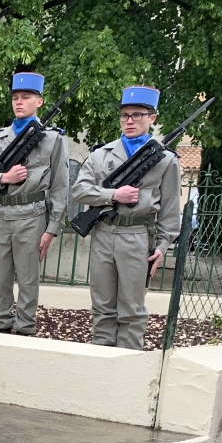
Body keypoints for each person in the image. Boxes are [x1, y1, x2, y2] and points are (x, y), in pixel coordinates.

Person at [73, 85, 181, 349]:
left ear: (152, 118)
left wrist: (162, 245)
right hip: (104, 232)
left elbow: (170, 210)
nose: (129, 120)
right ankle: (101, 356)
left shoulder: (166, 160)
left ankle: (128, 361)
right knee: (102, 305)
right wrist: (113, 194)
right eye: (125, 115)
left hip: (137, 236)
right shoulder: (101, 154)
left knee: (132, 308)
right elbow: (79, 190)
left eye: (137, 115)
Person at [0, 72, 69, 335]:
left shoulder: (53, 139)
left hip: (32, 214)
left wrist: (52, 227)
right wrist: (2, 178)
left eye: (26, 97)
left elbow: (60, 186)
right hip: (0, 213)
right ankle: (0, 324)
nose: (19, 102)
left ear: (39, 102)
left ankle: (25, 327)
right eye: (15, 97)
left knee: (28, 277)